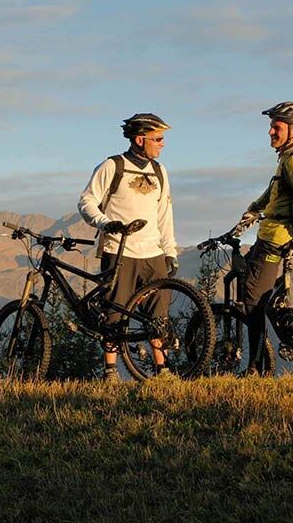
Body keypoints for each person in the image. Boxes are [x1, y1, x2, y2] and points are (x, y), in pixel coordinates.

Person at [78, 113, 178, 383]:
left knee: (158, 314)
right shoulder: (113, 166)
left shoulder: (160, 171)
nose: (162, 144)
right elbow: (87, 201)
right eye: (157, 139)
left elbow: (164, 214)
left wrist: (170, 251)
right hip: (119, 250)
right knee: (114, 310)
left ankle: (162, 370)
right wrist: (104, 223)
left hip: (153, 253)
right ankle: (110, 371)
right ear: (139, 139)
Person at [235, 101, 293, 376]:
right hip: (270, 236)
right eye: (271, 127)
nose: (271, 132)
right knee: (261, 294)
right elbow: (273, 193)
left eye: (277, 127)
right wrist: (253, 210)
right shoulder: (286, 160)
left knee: (252, 298)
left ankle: (255, 367)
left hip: (276, 239)